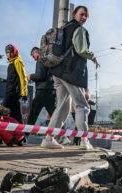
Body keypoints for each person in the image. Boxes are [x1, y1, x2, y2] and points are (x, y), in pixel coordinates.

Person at [41, 5, 100, 150]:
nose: (84, 17)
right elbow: (81, 50)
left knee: (62, 107)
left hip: (57, 71)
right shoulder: (79, 29)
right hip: (70, 72)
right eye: (81, 14)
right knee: (82, 105)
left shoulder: (64, 28)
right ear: (74, 14)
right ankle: (84, 140)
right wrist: (93, 57)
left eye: (86, 15)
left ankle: (48, 138)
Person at [27, 47, 56, 125]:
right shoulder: (48, 60)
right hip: (51, 90)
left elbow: (40, 76)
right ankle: (62, 135)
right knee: (54, 115)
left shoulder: (40, 59)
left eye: (33, 56)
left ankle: (24, 135)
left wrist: (30, 76)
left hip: (42, 91)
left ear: (37, 52)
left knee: (33, 114)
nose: (34, 59)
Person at [4, 44, 28, 123]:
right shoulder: (11, 62)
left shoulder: (17, 61)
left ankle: (2, 133)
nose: (9, 54)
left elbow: (23, 77)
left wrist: (24, 93)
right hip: (10, 91)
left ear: (14, 52)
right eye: (7, 52)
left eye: (11, 52)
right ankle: (19, 134)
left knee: (3, 111)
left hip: (13, 92)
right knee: (14, 115)